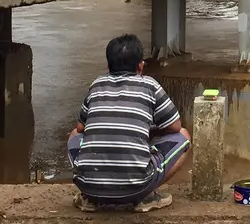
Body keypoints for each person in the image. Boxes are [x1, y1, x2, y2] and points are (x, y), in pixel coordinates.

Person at [68, 34, 191, 213]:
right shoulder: (150, 85)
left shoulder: (96, 85)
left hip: (89, 186)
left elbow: (81, 129)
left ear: (108, 66)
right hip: (137, 187)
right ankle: (147, 196)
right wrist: (149, 131)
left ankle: (90, 198)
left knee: (74, 135)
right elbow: (175, 127)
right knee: (184, 137)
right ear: (141, 66)